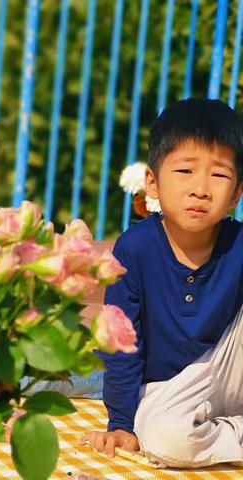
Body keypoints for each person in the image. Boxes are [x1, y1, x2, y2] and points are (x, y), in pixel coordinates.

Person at [82, 98, 243, 468]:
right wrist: (121, 423)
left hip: (230, 366)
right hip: (168, 392)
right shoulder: (135, 248)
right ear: (152, 183)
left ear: (236, 192)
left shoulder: (238, 244)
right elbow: (120, 341)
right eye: (185, 171)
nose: (201, 189)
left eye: (218, 175)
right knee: (165, 441)